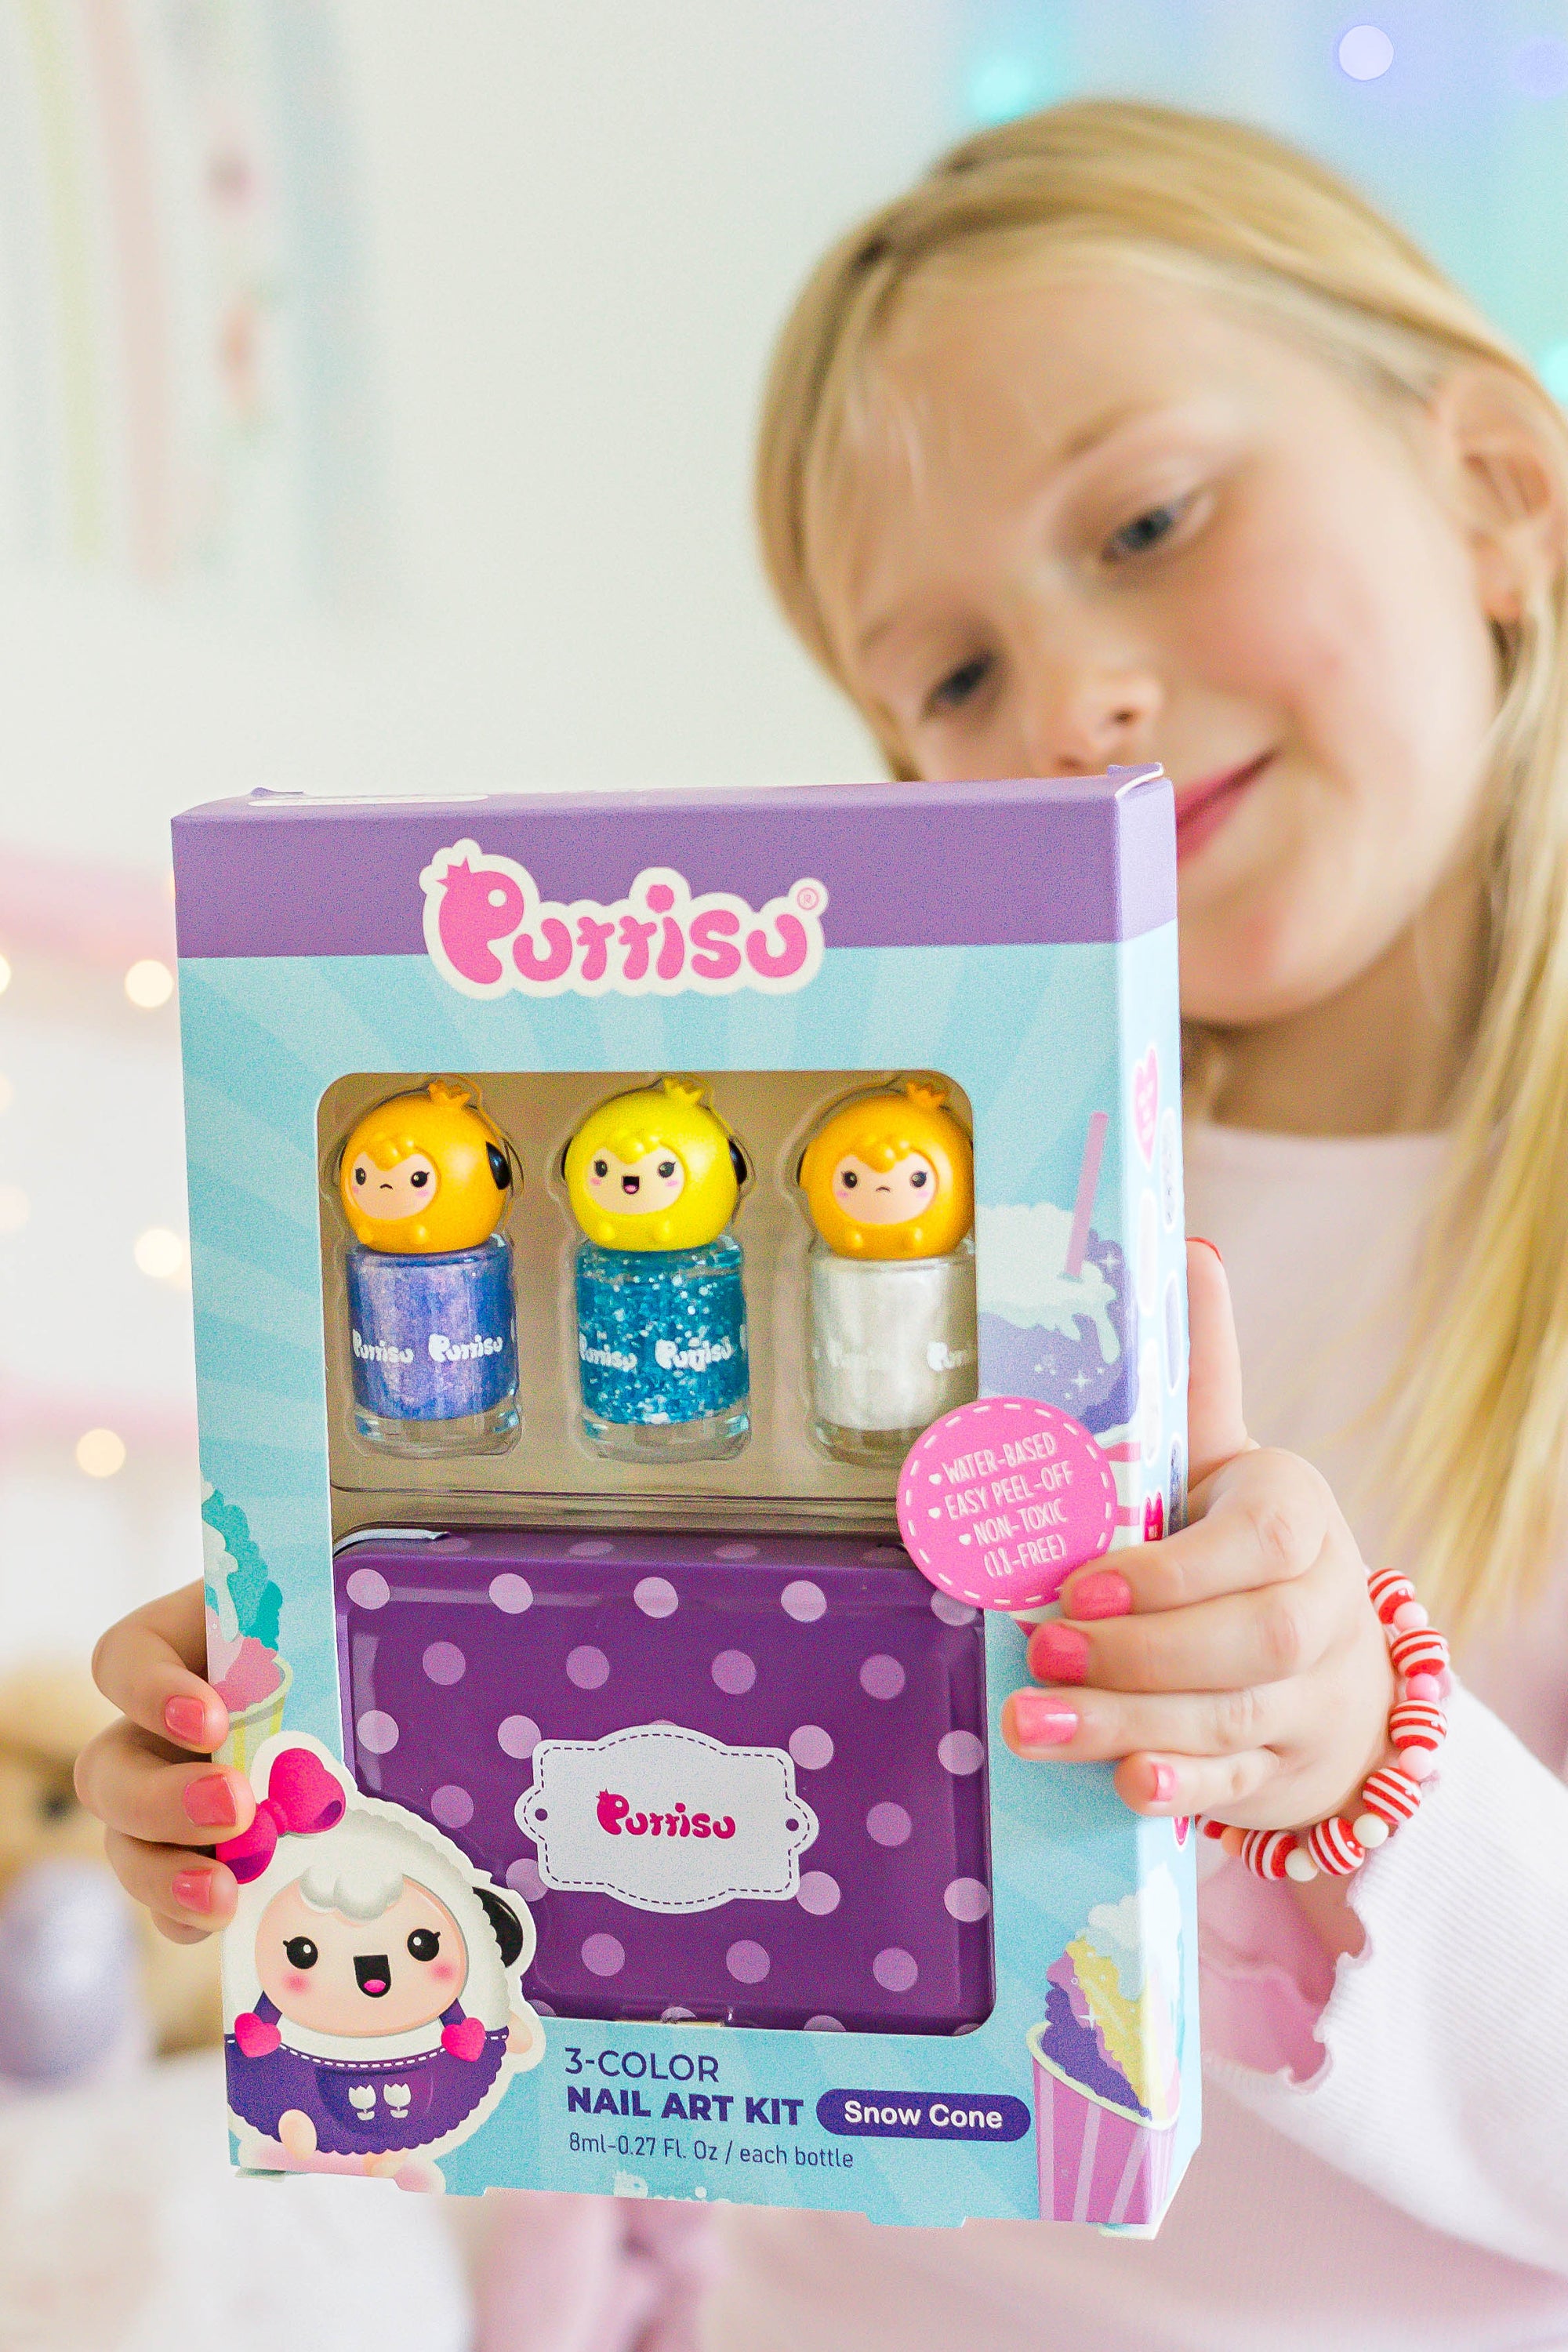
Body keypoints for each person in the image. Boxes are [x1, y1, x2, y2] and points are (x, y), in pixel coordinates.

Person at [73, 95, 1568, 2350]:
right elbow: (701, 1871)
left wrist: (1369, 1767)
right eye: (951, 678)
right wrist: (352, 1746)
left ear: (1502, 493)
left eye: (1151, 519)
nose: (1076, 700)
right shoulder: (931, 1231)